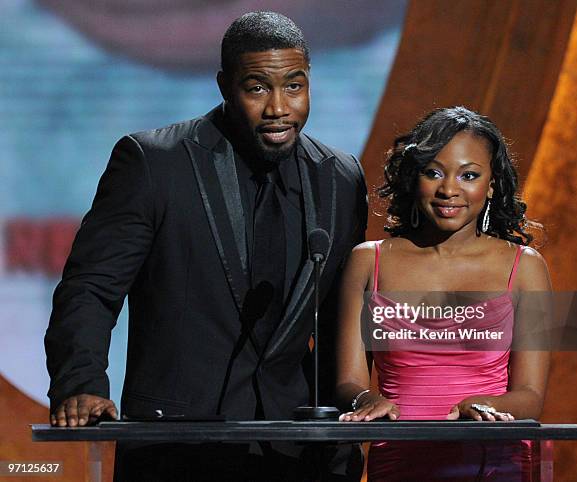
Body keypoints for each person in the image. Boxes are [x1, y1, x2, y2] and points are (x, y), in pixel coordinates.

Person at [45, 11, 367, 481]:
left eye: (294, 86)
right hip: (178, 446)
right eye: (257, 88)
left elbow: (343, 316)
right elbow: (90, 289)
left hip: (299, 450)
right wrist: (81, 384)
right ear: (224, 86)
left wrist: (348, 413)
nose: (279, 107)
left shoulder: (339, 178)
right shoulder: (154, 163)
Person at [336, 106, 551, 481]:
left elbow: (531, 395)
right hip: (401, 461)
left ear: (493, 183)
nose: (449, 189)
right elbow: (346, 382)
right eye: (433, 172)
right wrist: (365, 400)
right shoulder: (368, 263)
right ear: (412, 177)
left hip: (493, 462)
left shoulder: (525, 267)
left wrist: (483, 406)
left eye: (469, 175)